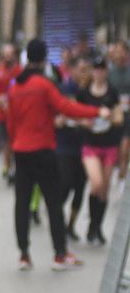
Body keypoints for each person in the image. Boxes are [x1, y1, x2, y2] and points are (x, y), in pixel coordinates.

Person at [7, 38, 106, 271]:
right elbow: (66, 107)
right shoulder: (44, 85)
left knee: (21, 203)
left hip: (21, 151)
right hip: (43, 150)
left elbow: (11, 124)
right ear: (43, 59)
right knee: (53, 203)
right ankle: (59, 254)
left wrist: (16, 144)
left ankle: (24, 255)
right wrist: (96, 111)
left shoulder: (16, 87)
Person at [77, 56, 124, 244]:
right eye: (95, 69)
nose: (98, 72)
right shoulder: (84, 93)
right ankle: (91, 225)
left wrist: (109, 116)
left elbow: (119, 117)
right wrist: (85, 121)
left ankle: (97, 227)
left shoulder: (112, 93)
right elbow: (75, 113)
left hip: (109, 143)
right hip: (91, 144)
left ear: (106, 71)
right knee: (96, 184)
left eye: (102, 68)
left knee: (104, 190)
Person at [56, 56, 91, 239]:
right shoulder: (64, 88)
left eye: (88, 70)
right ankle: (58, 219)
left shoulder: (89, 91)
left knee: (80, 187)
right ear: (72, 70)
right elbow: (61, 114)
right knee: (66, 183)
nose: (85, 74)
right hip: (64, 145)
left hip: (84, 146)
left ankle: (70, 225)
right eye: (82, 69)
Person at [0, 44, 21, 179]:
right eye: (5, 54)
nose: (7, 57)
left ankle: (16, 167)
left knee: (16, 143)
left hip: (17, 114)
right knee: (5, 142)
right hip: (2, 115)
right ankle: (7, 166)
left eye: (10, 54)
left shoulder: (20, 71)